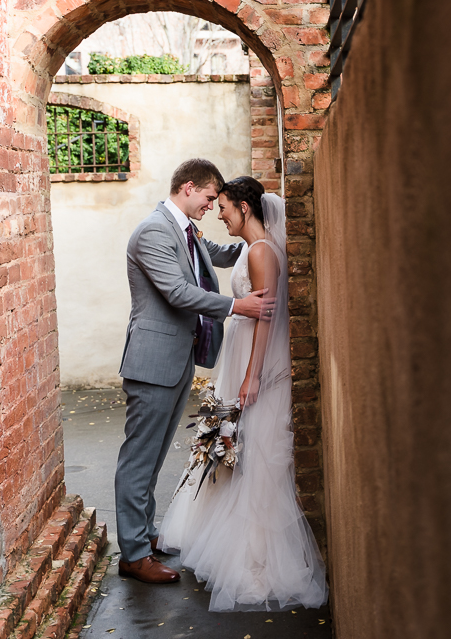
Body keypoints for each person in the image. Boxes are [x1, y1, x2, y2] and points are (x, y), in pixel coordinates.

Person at [158, 176, 328, 611]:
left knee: (254, 458)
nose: (220, 213)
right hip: (241, 359)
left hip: (255, 365)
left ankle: (256, 562)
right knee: (237, 450)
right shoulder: (256, 248)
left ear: (245, 208)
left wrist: (252, 376)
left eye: (226, 206)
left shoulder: (261, 251)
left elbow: (267, 320)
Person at [115, 159, 274, 585]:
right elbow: (177, 291)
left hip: (177, 359)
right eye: (207, 199)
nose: (210, 207)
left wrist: (262, 238)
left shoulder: (186, 230)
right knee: (139, 459)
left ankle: (142, 536)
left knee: (153, 456)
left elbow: (216, 255)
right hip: (152, 361)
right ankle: (132, 555)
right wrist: (239, 305)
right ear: (188, 187)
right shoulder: (153, 231)